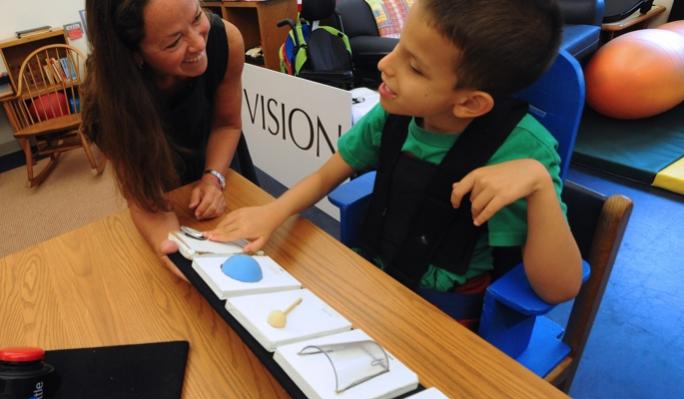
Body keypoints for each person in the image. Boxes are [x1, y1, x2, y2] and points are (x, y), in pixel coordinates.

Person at [207, 0, 582, 318]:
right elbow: (325, 177)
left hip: (445, 313)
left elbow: (559, 288)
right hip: (374, 280)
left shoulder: (521, 154)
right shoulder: (394, 113)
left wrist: (539, 187)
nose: (386, 63)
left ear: (469, 102)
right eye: (399, 45)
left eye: (415, 67)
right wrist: (274, 212)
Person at [82, 0, 247, 278]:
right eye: (173, 43)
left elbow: (227, 123)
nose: (198, 44)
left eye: (196, 18)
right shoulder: (107, 102)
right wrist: (176, 249)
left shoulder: (225, 40)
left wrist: (213, 177)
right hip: (159, 180)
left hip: (221, 160)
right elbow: (144, 197)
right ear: (135, 53)